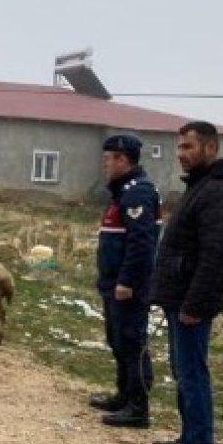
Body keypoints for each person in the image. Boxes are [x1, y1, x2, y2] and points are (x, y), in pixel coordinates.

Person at [150, 121, 223, 444]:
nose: (181, 155)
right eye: (179, 148)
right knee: (182, 370)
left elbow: (215, 256)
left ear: (210, 148)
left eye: (188, 148)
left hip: (192, 302)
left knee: (192, 373)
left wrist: (195, 304)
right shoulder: (200, 187)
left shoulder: (220, 192)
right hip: (180, 297)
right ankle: (188, 438)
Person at [90, 134, 161, 429]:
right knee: (118, 339)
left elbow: (141, 243)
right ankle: (123, 394)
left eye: (108, 160)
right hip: (113, 283)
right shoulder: (121, 192)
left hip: (128, 286)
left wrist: (127, 281)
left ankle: (138, 406)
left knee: (132, 341)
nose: (104, 165)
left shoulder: (137, 192)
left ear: (123, 160)